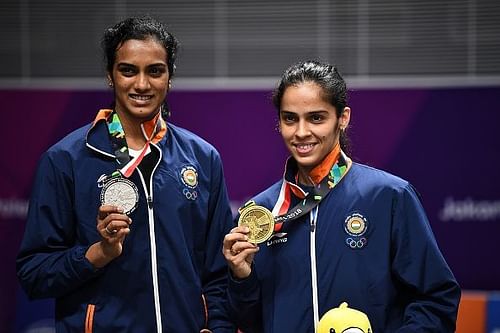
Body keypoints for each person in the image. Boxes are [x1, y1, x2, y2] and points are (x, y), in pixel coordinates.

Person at [17, 16, 235, 332]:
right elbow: (33, 274)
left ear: (170, 77)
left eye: (155, 71)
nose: (142, 84)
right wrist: (98, 254)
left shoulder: (202, 158)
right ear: (110, 75)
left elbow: (218, 273)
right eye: (128, 70)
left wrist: (219, 329)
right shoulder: (66, 159)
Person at [223, 60, 461, 332]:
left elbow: (436, 299)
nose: (301, 132)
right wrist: (242, 278)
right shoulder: (261, 213)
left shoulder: (389, 196)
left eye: (316, 118)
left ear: (343, 118)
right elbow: (252, 322)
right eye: (290, 118)